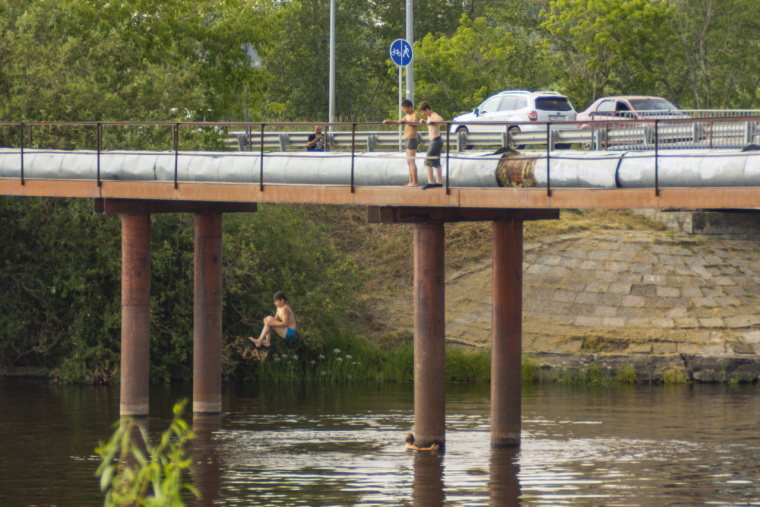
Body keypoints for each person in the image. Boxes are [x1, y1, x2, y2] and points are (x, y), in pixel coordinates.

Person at [383, 99, 420, 186]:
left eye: (405, 109)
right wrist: (389, 121)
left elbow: (414, 123)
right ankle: (411, 181)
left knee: (411, 161)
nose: (404, 111)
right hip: (407, 140)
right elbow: (399, 122)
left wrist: (406, 122)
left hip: (412, 139)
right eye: (403, 109)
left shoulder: (415, 114)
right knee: (408, 161)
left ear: (410, 107)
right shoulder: (407, 115)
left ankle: (415, 182)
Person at [418, 102, 444, 189]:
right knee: (436, 162)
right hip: (435, 141)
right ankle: (439, 182)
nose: (423, 114)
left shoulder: (433, 115)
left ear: (428, 110)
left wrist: (432, 121)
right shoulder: (429, 117)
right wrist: (425, 121)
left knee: (427, 161)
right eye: (421, 113)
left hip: (436, 141)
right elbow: (430, 124)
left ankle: (431, 182)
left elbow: (440, 120)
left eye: (423, 112)